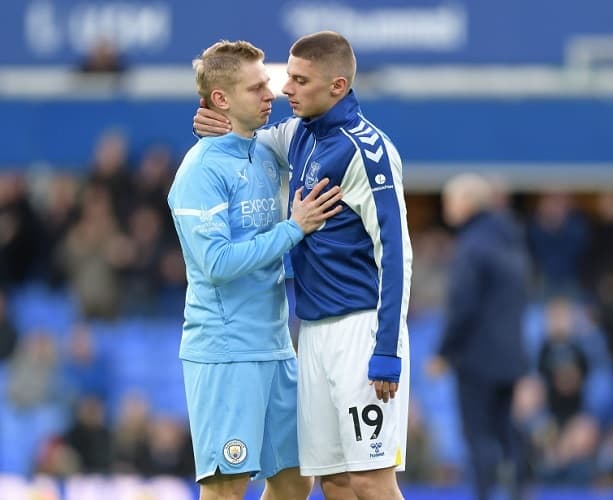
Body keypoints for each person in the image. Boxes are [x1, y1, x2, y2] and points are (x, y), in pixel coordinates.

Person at [195, 31, 412, 500]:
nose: (284, 89)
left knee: (371, 479)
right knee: (333, 479)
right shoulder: (296, 134)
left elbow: (396, 252)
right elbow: (245, 135)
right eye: (283, 77)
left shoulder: (367, 150)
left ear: (337, 86)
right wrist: (217, 121)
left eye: (298, 79)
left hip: (361, 330)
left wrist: (388, 348)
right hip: (311, 333)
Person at [169, 40, 343, 500]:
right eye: (257, 87)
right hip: (226, 352)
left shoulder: (266, 150)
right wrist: (294, 229)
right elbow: (217, 263)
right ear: (221, 99)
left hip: (275, 345)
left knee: (293, 480)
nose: (272, 93)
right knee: (227, 488)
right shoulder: (199, 171)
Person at [428, 173, 530, 500]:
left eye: (451, 201)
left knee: (479, 436)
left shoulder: (472, 244)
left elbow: (463, 305)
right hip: (510, 356)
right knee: (506, 432)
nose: (447, 208)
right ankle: (518, 492)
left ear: (468, 203)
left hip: (476, 358)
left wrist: (444, 352)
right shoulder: (511, 239)